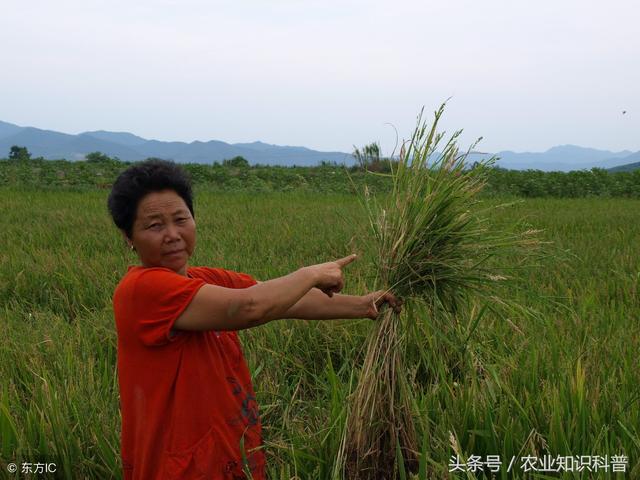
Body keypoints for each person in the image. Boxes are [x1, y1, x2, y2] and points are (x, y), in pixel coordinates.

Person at [107, 159, 402, 480]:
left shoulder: (202, 279)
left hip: (227, 453)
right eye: (154, 225)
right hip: (178, 466)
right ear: (128, 237)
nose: (173, 234)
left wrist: (361, 305)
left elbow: (281, 300)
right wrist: (312, 273)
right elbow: (248, 307)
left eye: (181, 219)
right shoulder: (141, 290)